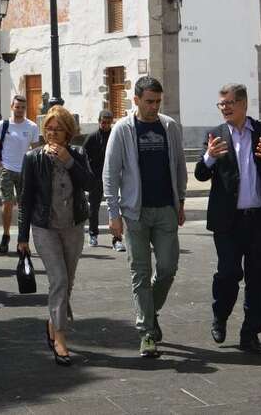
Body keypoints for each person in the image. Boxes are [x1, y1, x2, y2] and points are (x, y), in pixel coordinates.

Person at [194, 84, 261, 355]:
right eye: (221, 104)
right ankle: (220, 317)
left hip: (259, 219)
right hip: (227, 221)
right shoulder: (216, 135)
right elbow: (201, 174)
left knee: (258, 279)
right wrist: (209, 157)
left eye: (230, 103)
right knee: (228, 273)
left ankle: (251, 333)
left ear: (244, 104)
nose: (225, 108)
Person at [103, 76, 187, 358]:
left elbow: (179, 166)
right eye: (149, 101)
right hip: (134, 212)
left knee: (167, 268)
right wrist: (113, 214)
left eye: (157, 101)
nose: (154, 107)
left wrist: (182, 201)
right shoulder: (122, 129)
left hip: (165, 210)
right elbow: (110, 173)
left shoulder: (170, 127)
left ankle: (149, 312)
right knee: (139, 272)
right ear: (136, 99)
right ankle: (147, 333)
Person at [18, 106, 95, 366]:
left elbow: (90, 185)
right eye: (48, 129)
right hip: (44, 227)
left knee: (67, 282)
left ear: (68, 132)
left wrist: (69, 161)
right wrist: (22, 237)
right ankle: (61, 339)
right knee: (59, 280)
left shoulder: (79, 154)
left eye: (58, 129)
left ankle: (53, 321)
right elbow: (25, 199)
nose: (52, 133)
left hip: (73, 226)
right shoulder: (33, 158)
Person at [0, 95, 39, 254]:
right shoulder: (3, 125)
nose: (20, 110)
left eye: (22, 107)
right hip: (7, 169)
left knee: (24, 206)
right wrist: (0, 166)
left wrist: (34, 169)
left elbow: (36, 150)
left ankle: (22, 239)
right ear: (12, 107)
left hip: (24, 170)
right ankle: (5, 235)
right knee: (7, 202)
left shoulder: (31, 126)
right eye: (17, 107)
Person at [82, 110, 124, 251]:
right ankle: (93, 234)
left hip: (113, 177)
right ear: (99, 121)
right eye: (103, 122)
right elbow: (83, 156)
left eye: (108, 122)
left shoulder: (115, 136)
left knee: (115, 208)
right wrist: (88, 174)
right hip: (96, 178)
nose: (105, 125)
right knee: (93, 207)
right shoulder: (92, 137)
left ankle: (117, 239)